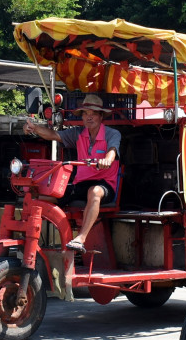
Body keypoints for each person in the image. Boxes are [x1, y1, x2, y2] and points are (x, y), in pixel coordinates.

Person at [24, 94, 120, 254]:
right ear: (82, 117)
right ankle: (28, 240)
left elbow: (112, 151)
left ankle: (80, 239)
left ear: (101, 116)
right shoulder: (77, 133)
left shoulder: (112, 134)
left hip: (104, 186)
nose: (89, 117)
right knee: (38, 196)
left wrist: (107, 160)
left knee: (94, 191)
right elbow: (53, 135)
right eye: (86, 114)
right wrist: (34, 128)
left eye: (93, 113)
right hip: (80, 185)